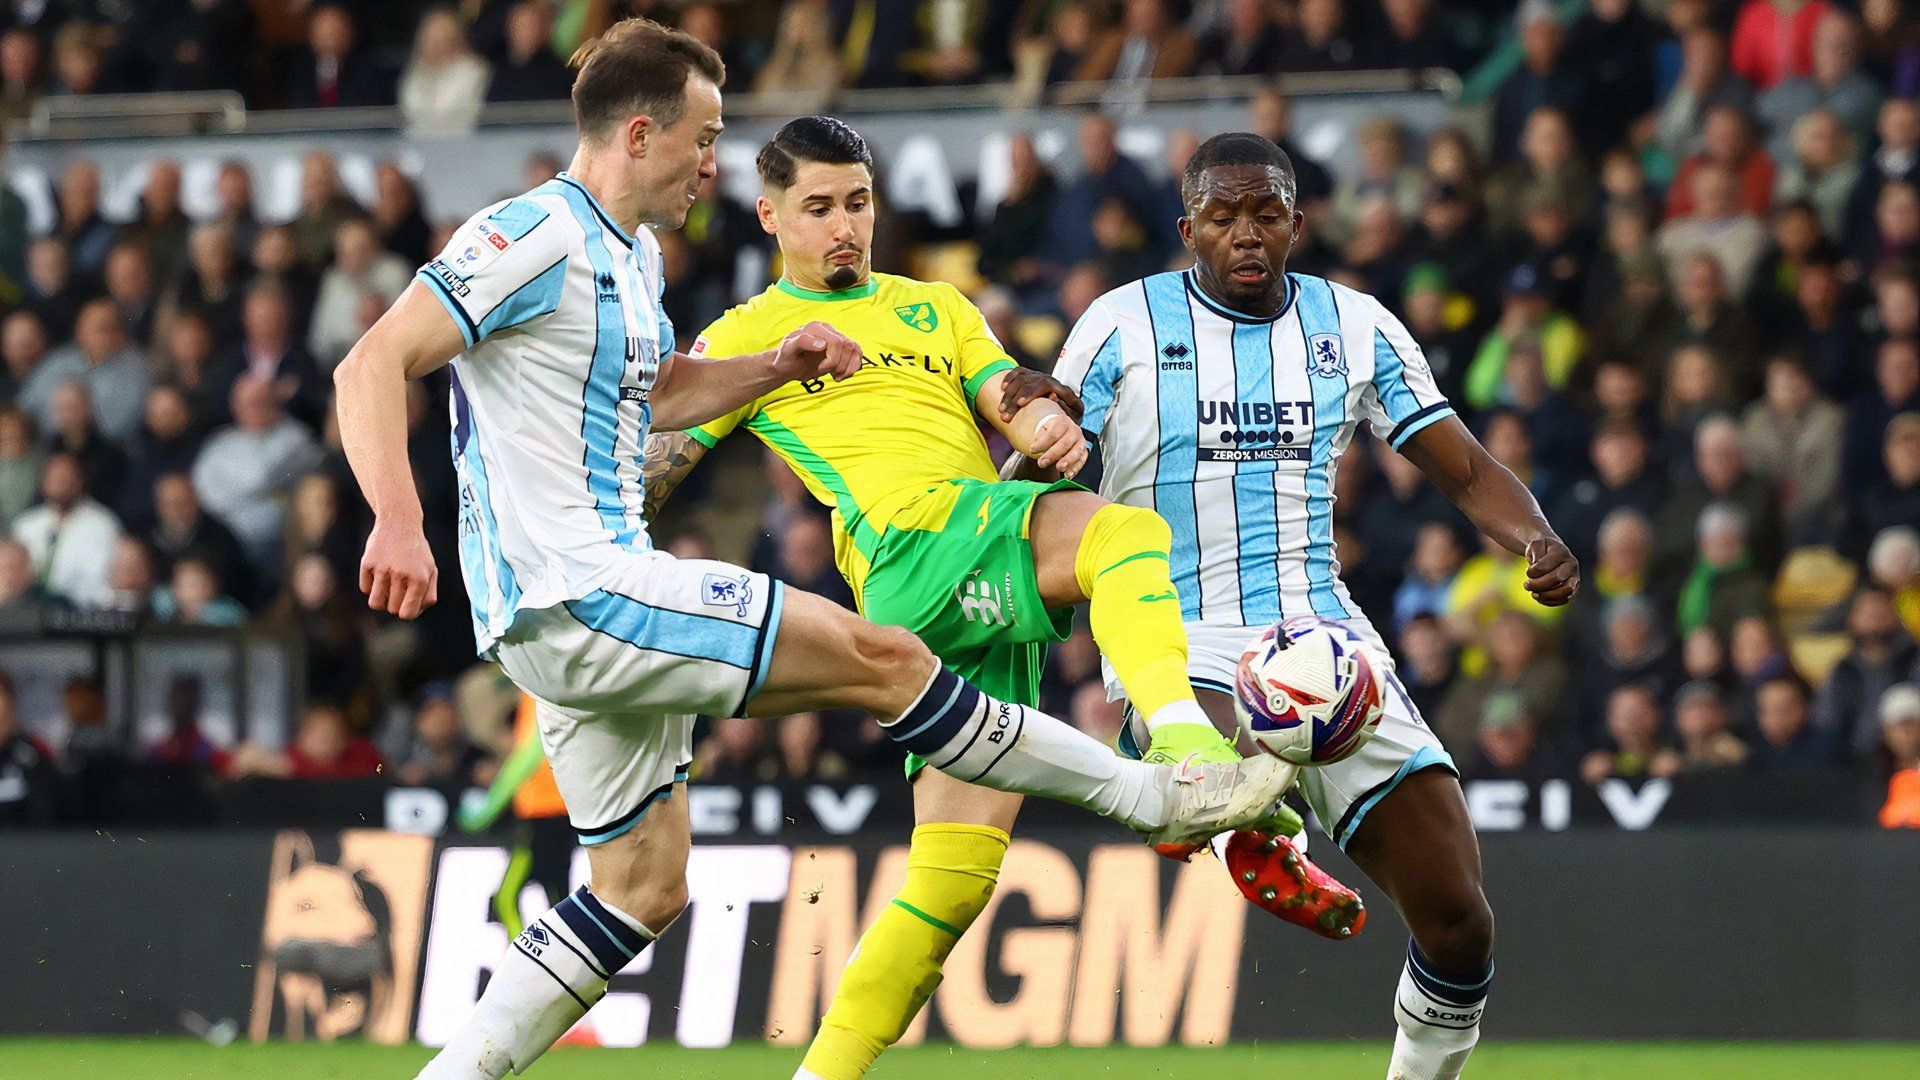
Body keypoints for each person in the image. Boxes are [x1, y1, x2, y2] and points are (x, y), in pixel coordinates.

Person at [332, 24, 1292, 1080]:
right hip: (587, 586)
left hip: (570, 616)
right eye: (703, 140)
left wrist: (776, 366)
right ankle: (1160, 794)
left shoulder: (631, 257)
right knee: (890, 661)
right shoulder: (536, 232)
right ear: (642, 133)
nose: (711, 162)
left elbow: (657, 394)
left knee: (642, 889)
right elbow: (375, 361)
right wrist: (396, 516)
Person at [637, 116, 1329, 1080]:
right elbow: (651, 466)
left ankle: (818, 1075)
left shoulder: (935, 306)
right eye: (818, 208)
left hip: (967, 570)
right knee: (1122, 534)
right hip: (913, 548)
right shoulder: (752, 335)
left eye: (859, 204)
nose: (844, 227)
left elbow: (1006, 390)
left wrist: (1045, 420)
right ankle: (1189, 753)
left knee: (953, 880)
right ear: (769, 216)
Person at [1050, 132, 1581, 1080]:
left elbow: (1461, 466)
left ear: (1297, 222)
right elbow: (1043, 468)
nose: (1245, 234)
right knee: (1217, 760)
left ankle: (1406, 1058)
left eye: (1265, 214)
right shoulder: (1119, 326)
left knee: (1459, 919)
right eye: (1223, 216)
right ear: (1187, 229)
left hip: (1321, 640)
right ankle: (1248, 823)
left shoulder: (1357, 325)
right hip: (1168, 623)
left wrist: (1535, 538)